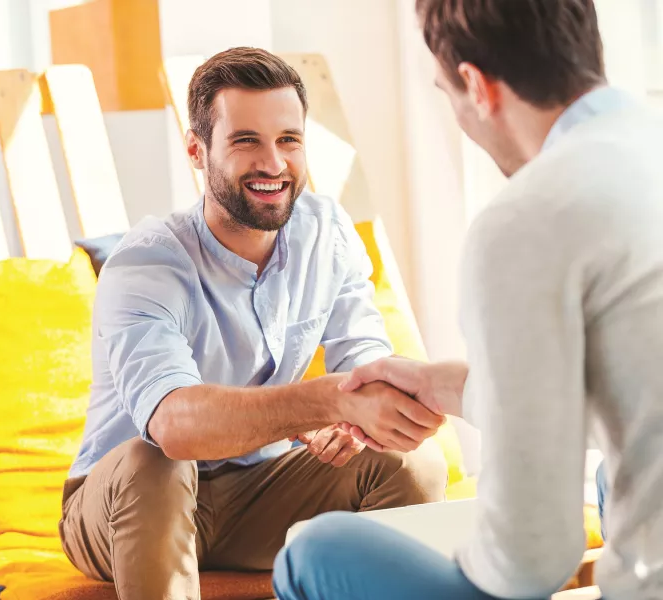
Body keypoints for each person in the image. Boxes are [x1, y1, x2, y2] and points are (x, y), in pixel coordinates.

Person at [274, 1, 663, 599]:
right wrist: (451, 388)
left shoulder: (526, 218)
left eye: (446, 92)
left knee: (312, 552)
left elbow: (531, 560)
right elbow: (639, 398)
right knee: (620, 469)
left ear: (477, 87)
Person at [58, 47, 449, 600]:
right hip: (124, 505)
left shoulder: (327, 233)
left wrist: (359, 418)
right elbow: (173, 426)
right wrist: (328, 401)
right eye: (247, 142)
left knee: (408, 461)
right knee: (160, 462)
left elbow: (364, 359)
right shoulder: (147, 262)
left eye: (289, 140)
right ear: (198, 150)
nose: (274, 164)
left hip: (256, 491)